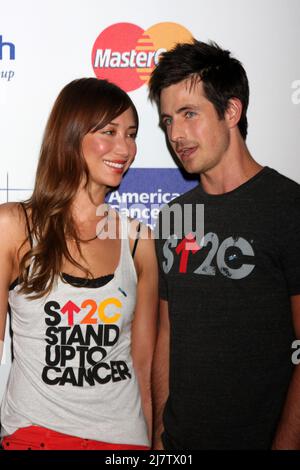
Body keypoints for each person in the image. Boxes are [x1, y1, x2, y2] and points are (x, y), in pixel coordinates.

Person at [148, 39, 300, 450]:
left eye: (189, 114)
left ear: (231, 111)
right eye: (167, 121)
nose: (176, 135)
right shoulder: (173, 217)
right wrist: (160, 436)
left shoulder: (288, 207)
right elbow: (168, 333)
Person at [0, 78, 158, 450]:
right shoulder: (13, 227)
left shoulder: (139, 241)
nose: (125, 148)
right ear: (70, 136)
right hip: (33, 436)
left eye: (131, 134)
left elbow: (144, 367)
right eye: (109, 131)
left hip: (124, 441)